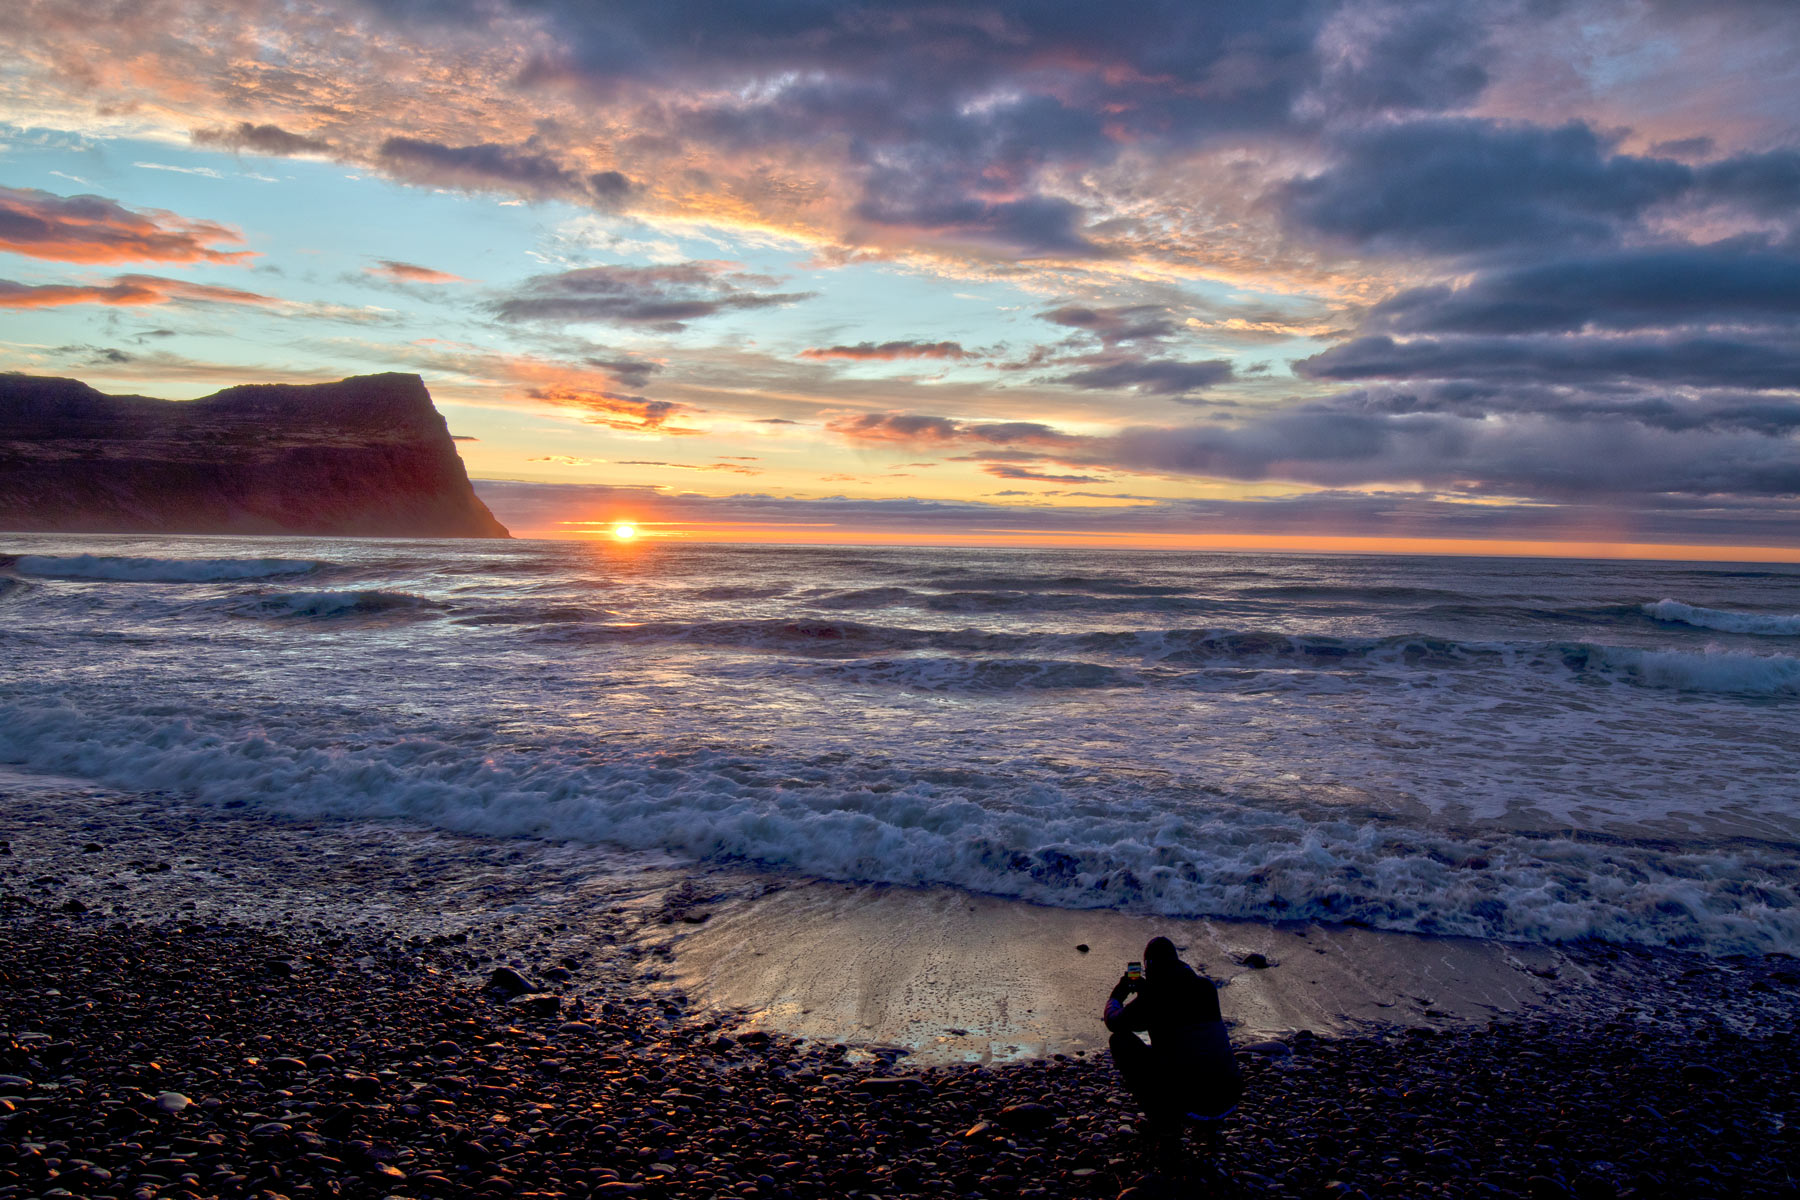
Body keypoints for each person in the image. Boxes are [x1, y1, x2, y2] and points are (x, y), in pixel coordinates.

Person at [1104, 935, 1241, 1136]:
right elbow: (1175, 1012)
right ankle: (1210, 1128)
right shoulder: (1206, 988)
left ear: (1148, 967)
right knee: (1198, 1048)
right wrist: (1147, 992)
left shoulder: (1154, 997)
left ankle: (1164, 1123)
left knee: (1120, 1041)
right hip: (1228, 1100)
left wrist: (1117, 995)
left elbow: (1114, 1022)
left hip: (1192, 1106)